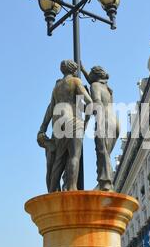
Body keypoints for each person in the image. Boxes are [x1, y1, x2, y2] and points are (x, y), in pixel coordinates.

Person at [37, 60, 92, 192]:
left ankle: (52, 192)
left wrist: (43, 127)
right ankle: (72, 188)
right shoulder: (75, 81)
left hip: (57, 124)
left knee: (59, 160)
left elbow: (51, 107)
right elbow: (89, 102)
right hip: (73, 121)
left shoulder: (56, 87)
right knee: (74, 156)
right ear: (74, 70)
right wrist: (86, 123)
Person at [81, 64, 119, 191]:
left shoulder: (94, 86)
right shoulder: (107, 88)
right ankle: (105, 182)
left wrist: (85, 97)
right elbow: (92, 81)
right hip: (115, 121)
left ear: (94, 75)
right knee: (105, 154)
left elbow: (96, 103)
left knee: (102, 152)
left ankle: (105, 184)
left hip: (104, 121)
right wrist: (82, 68)